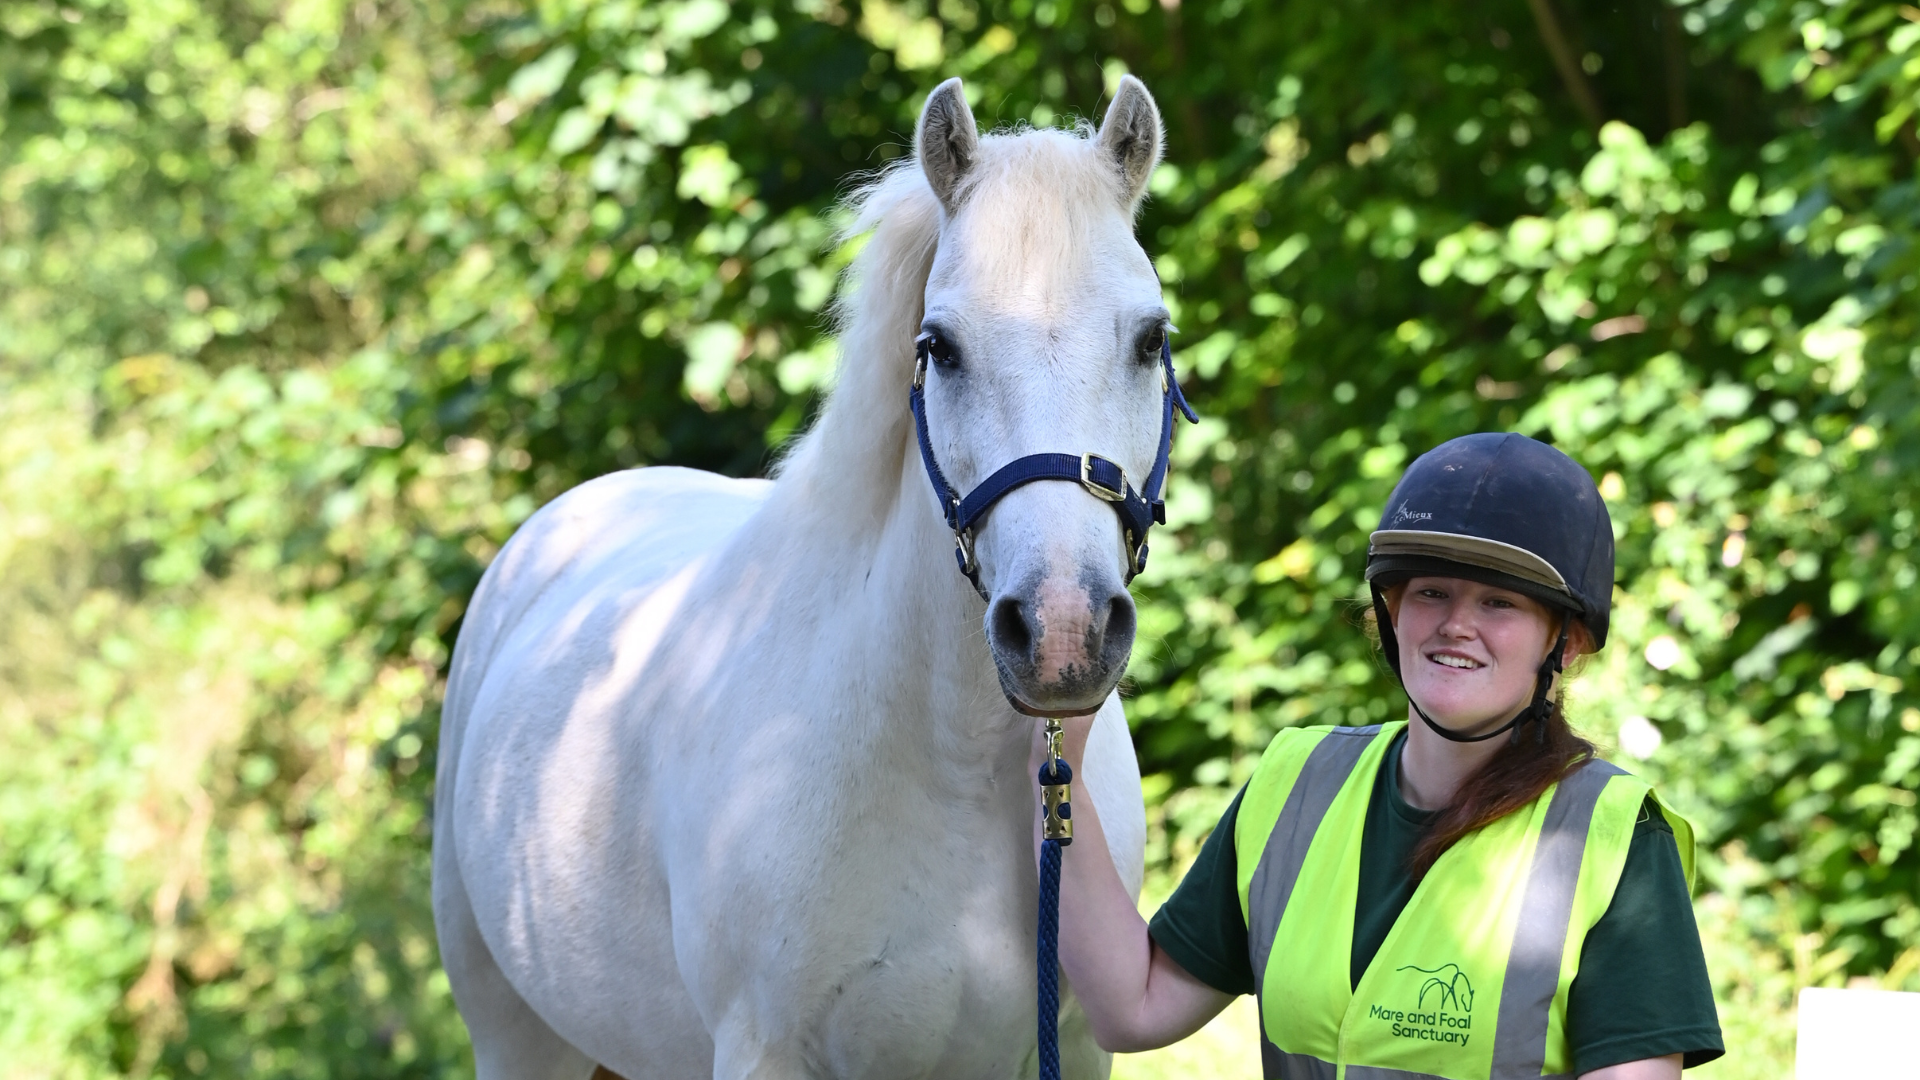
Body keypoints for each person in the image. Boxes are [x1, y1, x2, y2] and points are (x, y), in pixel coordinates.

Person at [1053, 432, 1724, 1079]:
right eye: (1432, 592)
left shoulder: (1616, 836)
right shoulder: (1296, 784)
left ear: (1566, 644)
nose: (1457, 622)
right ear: (1392, 612)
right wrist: (1060, 777)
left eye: (1499, 602)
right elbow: (1131, 1009)